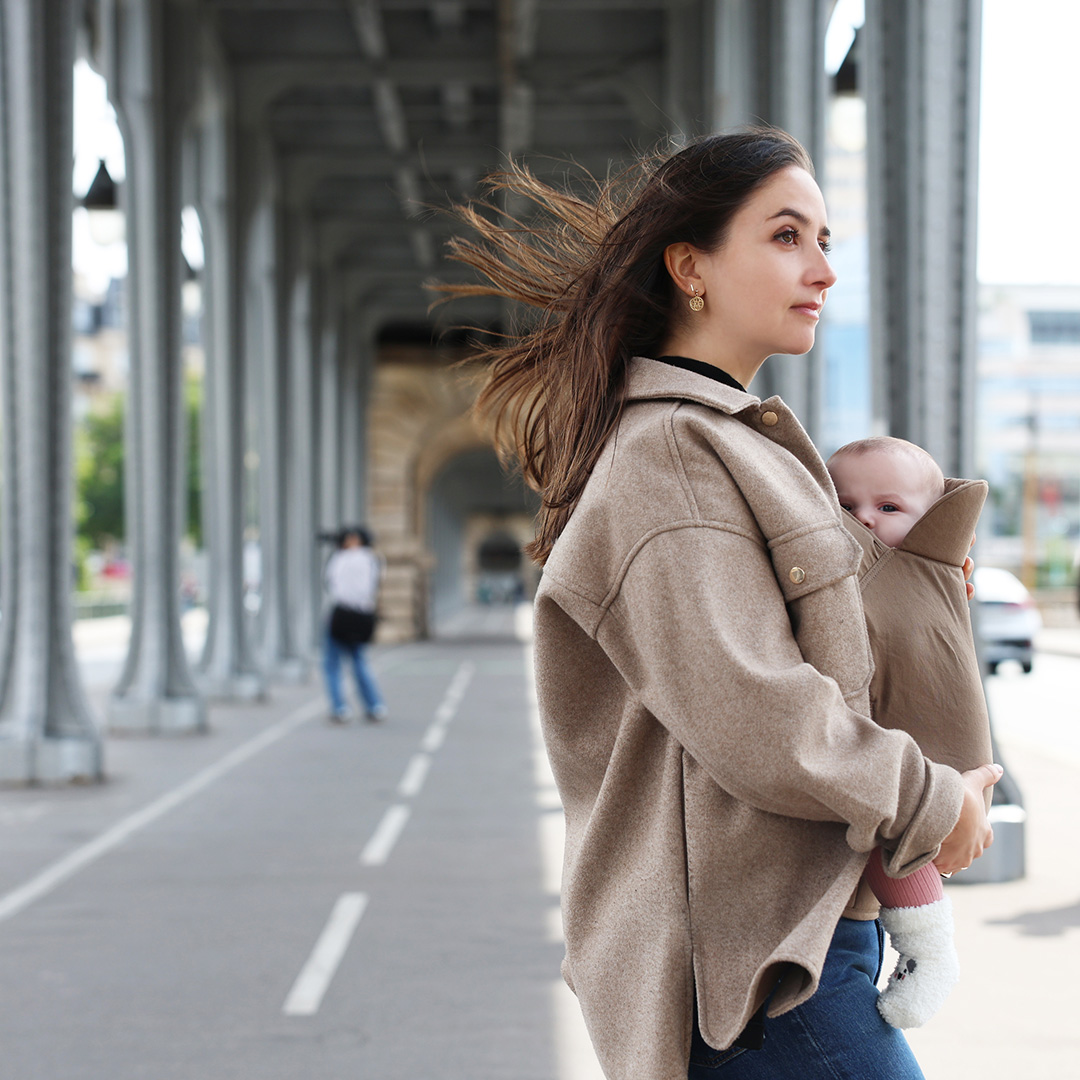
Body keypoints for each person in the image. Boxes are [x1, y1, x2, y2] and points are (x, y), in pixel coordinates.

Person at [438, 128, 1000, 1079]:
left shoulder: (730, 445)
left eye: (826, 241)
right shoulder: (674, 456)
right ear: (690, 265)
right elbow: (757, 710)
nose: (822, 269)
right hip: (756, 970)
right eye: (787, 236)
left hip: (787, 943)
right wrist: (930, 801)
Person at [827, 436, 993, 1029]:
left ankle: (928, 948)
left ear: (931, 518)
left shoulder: (925, 571)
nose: (864, 519)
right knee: (886, 821)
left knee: (896, 824)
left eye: (888, 508)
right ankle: (927, 947)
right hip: (898, 781)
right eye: (844, 506)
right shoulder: (862, 571)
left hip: (926, 773)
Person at [322, 526, 387, 723]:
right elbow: (375, 584)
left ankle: (340, 708)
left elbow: (331, 583)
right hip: (363, 615)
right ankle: (375, 705)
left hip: (342, 614)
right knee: (359, 661)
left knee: (332, 664)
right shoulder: (373, 559)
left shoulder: (340, 559)